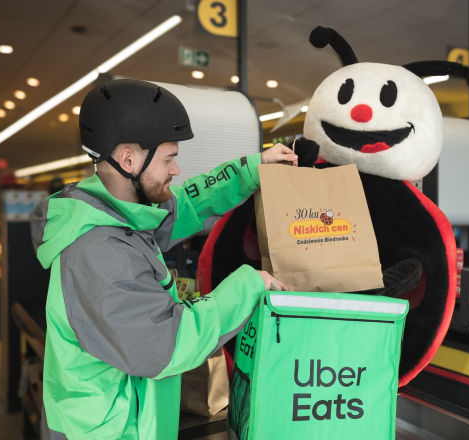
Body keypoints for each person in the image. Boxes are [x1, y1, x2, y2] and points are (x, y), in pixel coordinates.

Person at [30, 78, 298, 439]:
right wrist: (249, 283)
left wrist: (253, 168)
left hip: (125, 420)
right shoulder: (99, 252)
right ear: (128, 159)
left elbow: (186, 204)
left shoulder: (117, 215)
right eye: (169, 158)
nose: (176, 170)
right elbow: (168, 345)